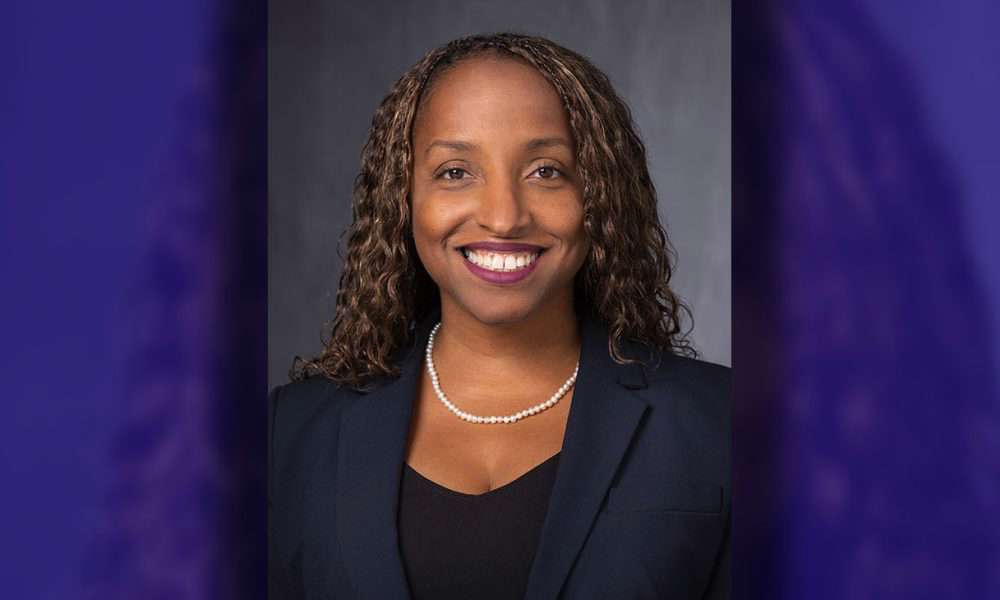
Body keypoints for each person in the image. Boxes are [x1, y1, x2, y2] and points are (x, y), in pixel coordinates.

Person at [269, 32, 730, 599]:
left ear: (600, 194)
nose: (504, 217)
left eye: (546, 171)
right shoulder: (293, 433)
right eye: (455, 172)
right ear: (402, 197)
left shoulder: (720, 423)